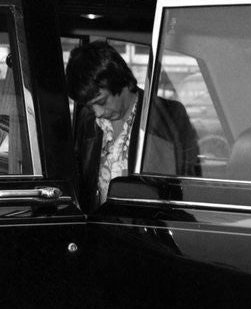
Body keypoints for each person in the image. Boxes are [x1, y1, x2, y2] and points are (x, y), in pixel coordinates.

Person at [65, 40, 199, 210]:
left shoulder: (167, 115)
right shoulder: (87, 119)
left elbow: (186, 184)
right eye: (90, 105)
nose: (97, 112)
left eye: (102, 101)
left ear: (123, 83)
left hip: (150, 227)